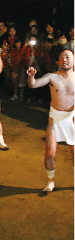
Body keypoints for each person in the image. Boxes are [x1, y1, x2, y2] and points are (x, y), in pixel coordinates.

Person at [26, 50, 74, 192]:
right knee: (49, 154)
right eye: (61, 57)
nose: (64, 60)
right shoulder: (52, 77)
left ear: (74, 61)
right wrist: (31, 77)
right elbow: (33, 85)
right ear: (58, 62)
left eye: (67, 57)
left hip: (72, 118)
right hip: (55, 119)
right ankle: (50, 182)